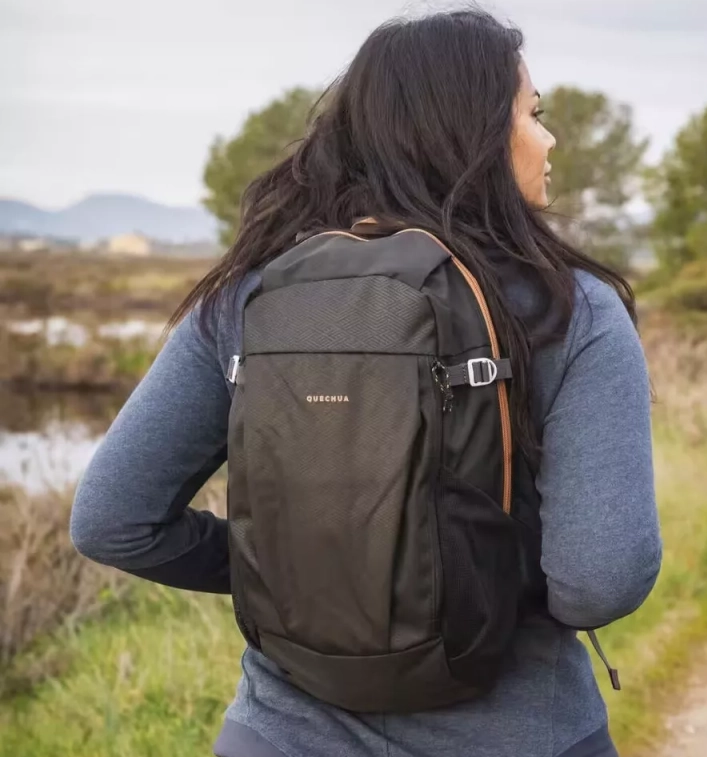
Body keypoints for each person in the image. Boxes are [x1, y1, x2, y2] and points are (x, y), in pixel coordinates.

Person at [69, 9, 661, 757]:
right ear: (473, 132)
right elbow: (599, 582)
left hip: (280, 735)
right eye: (534, 115)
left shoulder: (251, 293)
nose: (549, 140)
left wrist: (301, 571)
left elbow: (112, 519)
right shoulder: (573, 308)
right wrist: (450, 577)